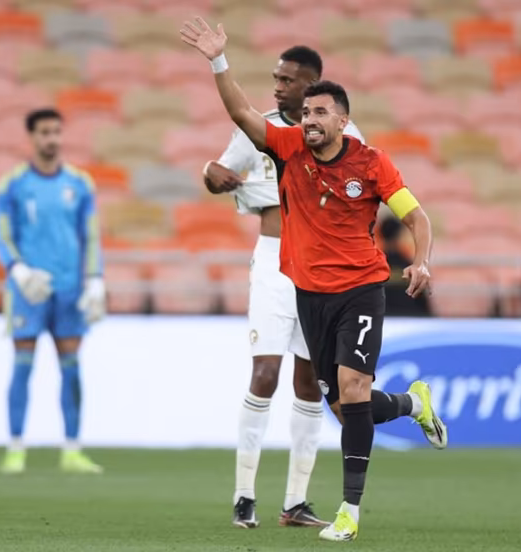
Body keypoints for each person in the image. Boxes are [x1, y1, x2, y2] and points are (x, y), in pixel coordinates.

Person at [180, 18, 448, 542]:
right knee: (344, 406)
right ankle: (415, 403)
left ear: (344, 120)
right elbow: (240, 114)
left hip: (362, 289)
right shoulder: (287, 148)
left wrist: (420, 260)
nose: (309, 120)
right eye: (306, 114)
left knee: (350, 388)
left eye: (320, 112)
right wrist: (217, 60)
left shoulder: (370, 163)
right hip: (307, 291)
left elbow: (418, 217)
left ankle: (347, 511)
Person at [203, 45, 365, 530]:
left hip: (320, 267)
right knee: (265, 373)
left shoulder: (347, 137)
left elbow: (362, 190)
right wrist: (214, 176)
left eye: (288, 80)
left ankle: (295, 502)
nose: (278, 85)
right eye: (275, 78)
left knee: (310, 380)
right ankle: (243, 496)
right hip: (275, 260)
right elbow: (217, 172)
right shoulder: (262, 128)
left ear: (313, 82)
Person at [0, 108, 107, 475]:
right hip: (28, 288)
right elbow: (2, 233)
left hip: (70, 289)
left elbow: (90, 235)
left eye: (57, 131)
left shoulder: (80, 183)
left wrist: (94, 278)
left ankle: (72, 449)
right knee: (22, 366)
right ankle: (15, 448)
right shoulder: (12, 184)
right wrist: (18, 268)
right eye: (45, 132)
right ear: (32, 137)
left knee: (71, 368)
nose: (52, 139)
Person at [379, 216, 433, 317]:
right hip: (409, 319)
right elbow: (421, 299)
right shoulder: (408, 265)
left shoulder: (376, 265)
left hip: (383, 319)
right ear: (398, 236)